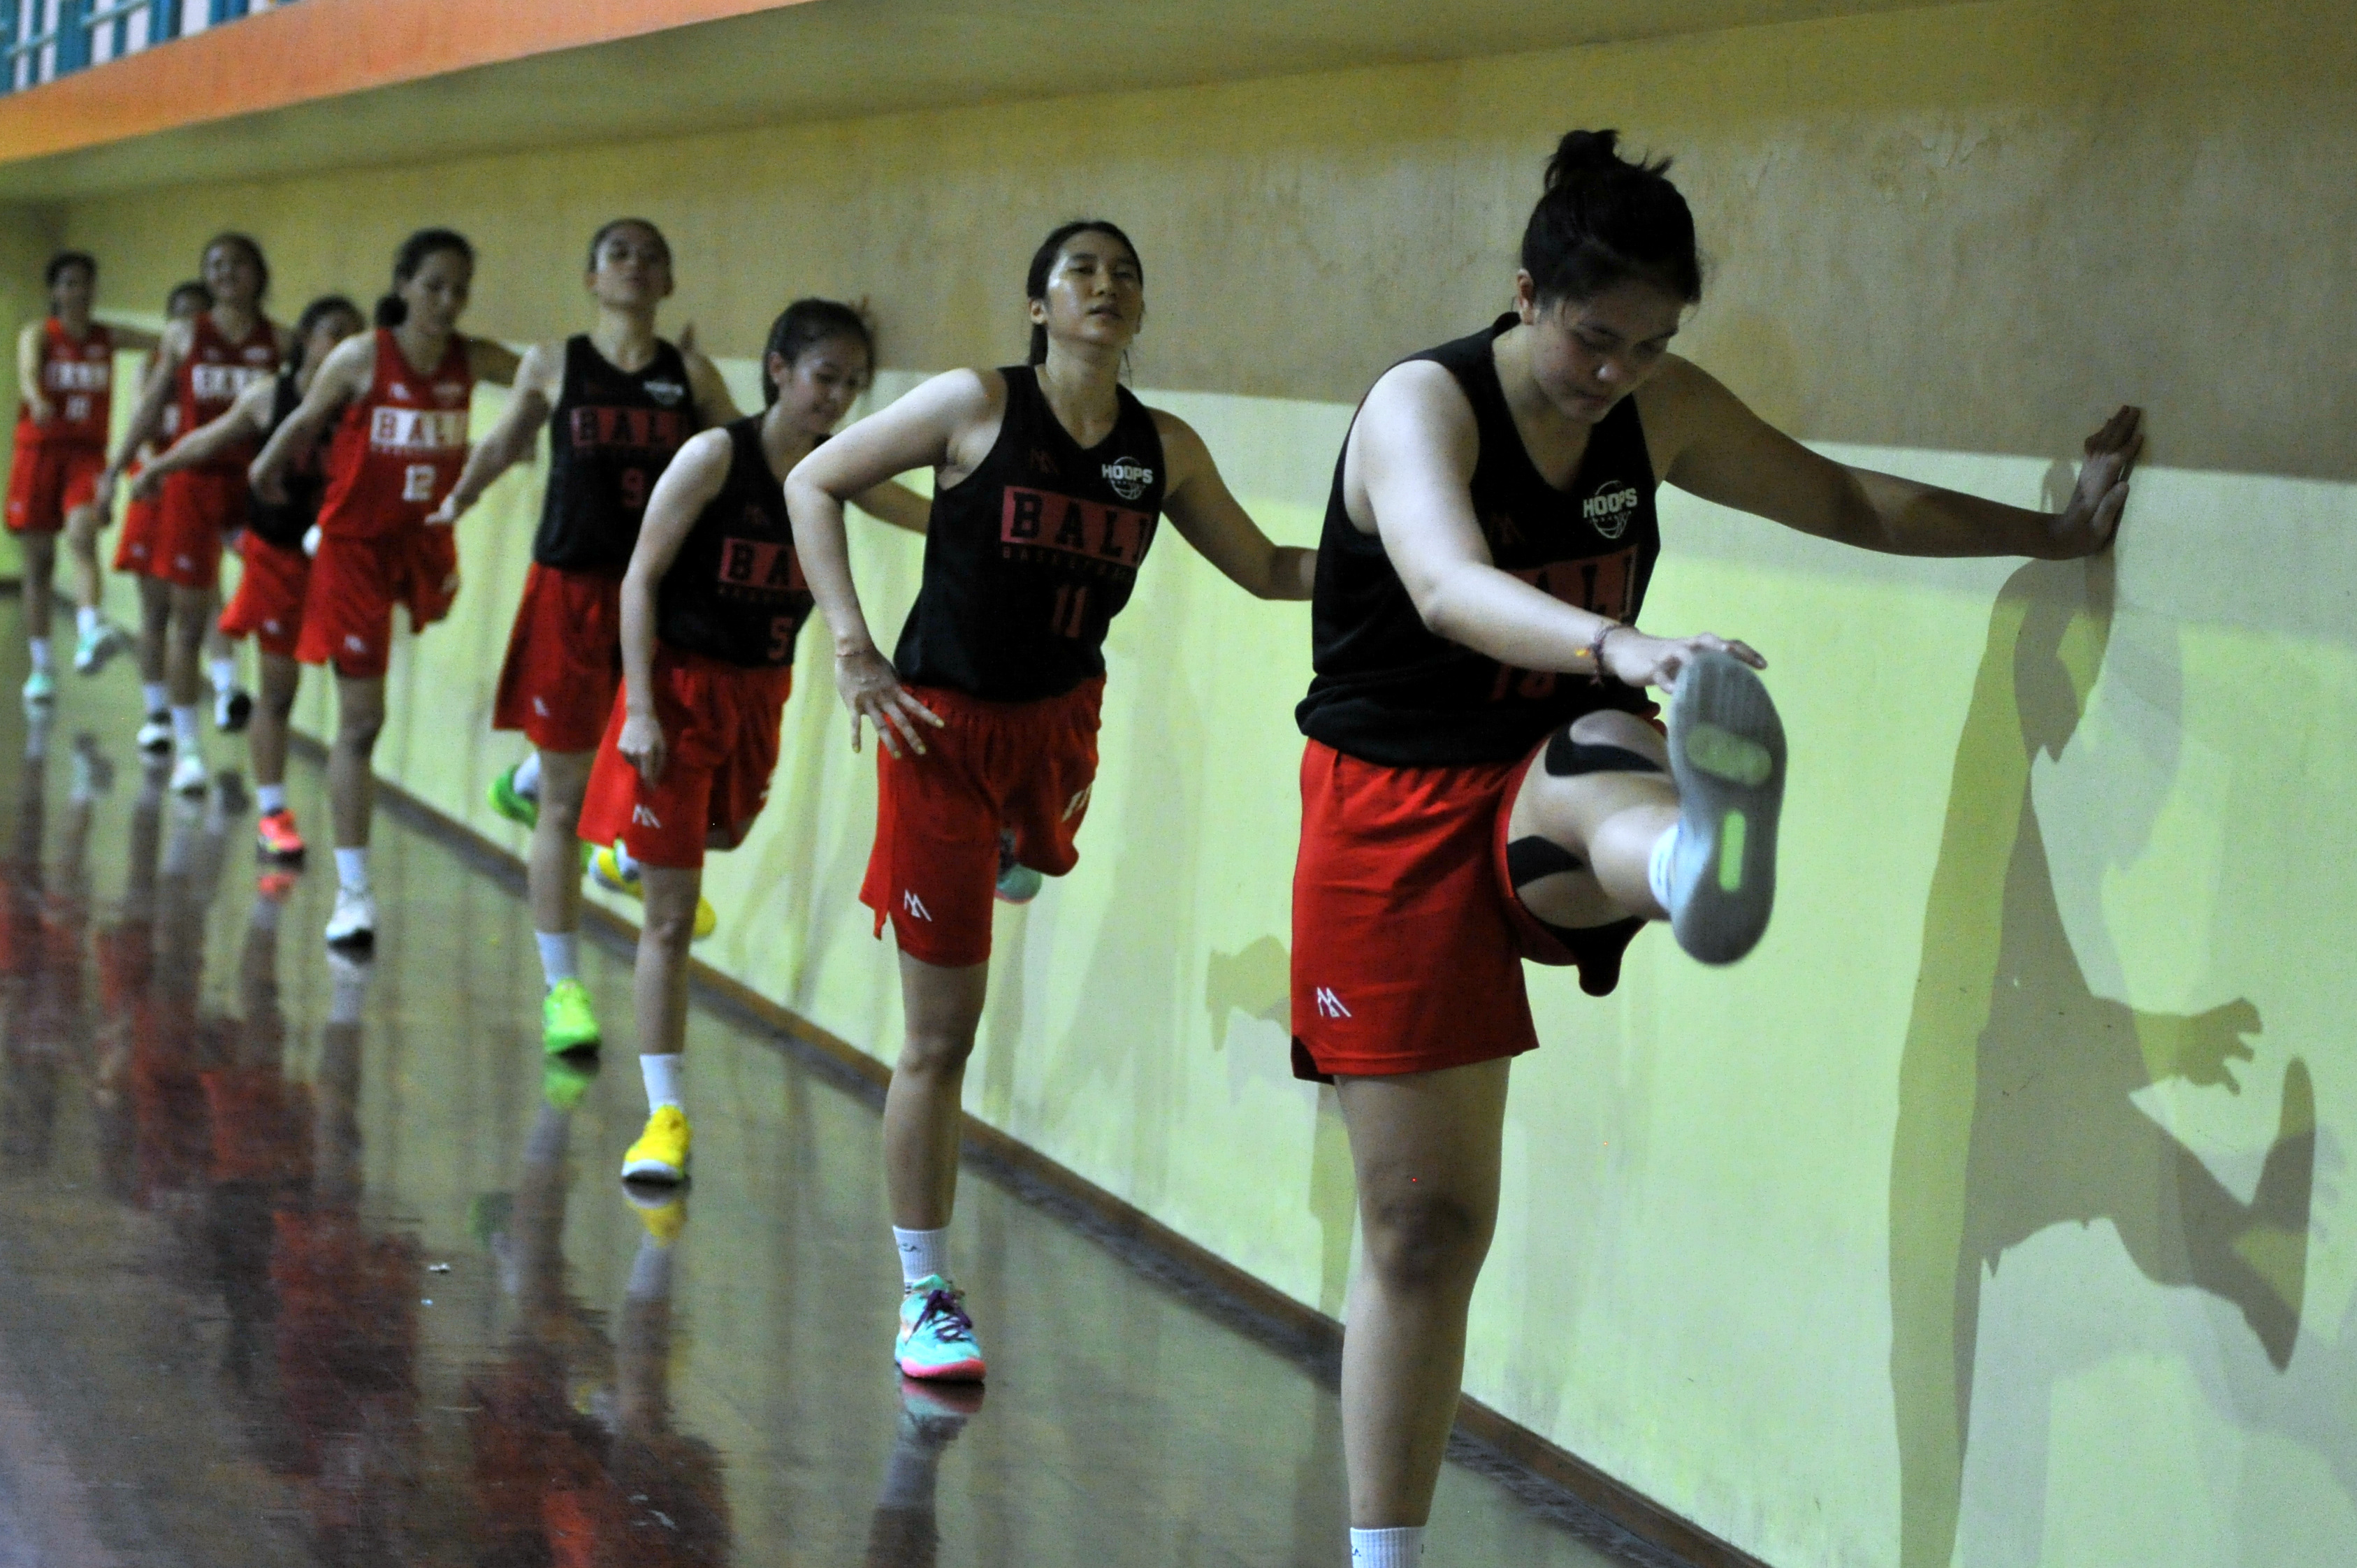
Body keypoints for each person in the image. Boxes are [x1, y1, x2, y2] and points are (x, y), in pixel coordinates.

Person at [1286, 130, 2142, 1567]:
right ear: (1525, 292)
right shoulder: (1417, 407)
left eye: (1649, 346)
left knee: (1606, 749)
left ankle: (1693, 867)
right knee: (1425, 1227)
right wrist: (1619, 637)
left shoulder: (1655, 409)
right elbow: (1443, 585)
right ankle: (1388, 1559)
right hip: (1388, 802)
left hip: (1560, 770)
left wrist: (2059, 534)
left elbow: (1849, 499)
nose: (1615, 373)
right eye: (1592, 339)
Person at [787, 222, 1316, 1382]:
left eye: (1127, 271)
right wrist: (852, 648)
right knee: (942, 1032)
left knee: (1019, 863)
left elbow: (1272, 568)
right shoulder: (973, 402)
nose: (1106, 285)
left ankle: (1010, 846)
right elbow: (813, 476)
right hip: (937, 728)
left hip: (1059, 724)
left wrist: (1408, 557)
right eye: (1081, 269)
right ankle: (925, 1292)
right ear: (1037, 305)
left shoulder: (1159, 447)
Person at [583, 299, 927, 1184]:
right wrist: (643, 709)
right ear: (778, 369)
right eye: (826, 378)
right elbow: (639, 579)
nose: (839, 399)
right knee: (669, 924)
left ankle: (632, 853)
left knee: (723, 837)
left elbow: (929, 515)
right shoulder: (713, 457)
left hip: (757, 694)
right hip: (683, 688)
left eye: (854, 385)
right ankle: (664, 1118)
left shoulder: (834, 473)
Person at [432, 218, 737, 1054]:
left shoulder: (690, 374)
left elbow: (749, 456)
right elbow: (505, 440)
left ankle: (613, 846)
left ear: (669, 281)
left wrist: (830, 393)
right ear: (591, 277)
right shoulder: (556, 360)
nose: (636, 266)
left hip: (659, 599)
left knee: (651, 760)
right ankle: (562, 987)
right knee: (566, 803)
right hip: (570, 593)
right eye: (619, 254)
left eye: (652, 255)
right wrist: (457, 498)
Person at [247, 228, 521, 949]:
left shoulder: (474, 357)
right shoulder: (364, 355)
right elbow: (306, 417)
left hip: (426, 539)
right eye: (434, 285)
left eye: (460, 288)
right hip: (357, 551)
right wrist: (265, 470)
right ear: (403, 285)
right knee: (363, 721)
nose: (448, 301)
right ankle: (354, 893)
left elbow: (549, 382)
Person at [134, 295, 366, 867]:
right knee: (279, 689)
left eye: (352, 335)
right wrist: (155, 467)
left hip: (344, 562)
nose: (341, 344)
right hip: (281, 558)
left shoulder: (364, 404)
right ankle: (272, 812)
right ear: (305, 338)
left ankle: (347, 843)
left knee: (357, 705)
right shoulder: (271, 396)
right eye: (331, 331)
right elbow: (209, 437)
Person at [95, 235, 284, 794]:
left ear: (258, 272)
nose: (227, 274)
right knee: (187, 615)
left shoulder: (281, 340)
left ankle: (240, 702)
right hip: (193, 483)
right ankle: (187, 746)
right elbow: (150, 407)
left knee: (273, 601)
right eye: (215, 266)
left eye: (238, 264)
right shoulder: (185, 334)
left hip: (253, 482)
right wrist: (116, 470)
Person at [7, 252, 159, 710]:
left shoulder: (105, 336)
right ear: (55, 290)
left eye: (87, 283)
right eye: (70, 283)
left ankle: (90, 630)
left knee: (83, 535)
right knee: (39, 565)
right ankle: (40, 669)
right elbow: (29, 371)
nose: (80, 292)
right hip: (39, 454)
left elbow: (162, 342)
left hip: (85, 455)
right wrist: (37, 398)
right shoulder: (40, 333)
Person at [75, 279, 209, 683]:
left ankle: (223, 685)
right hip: (154, 485)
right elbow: (141, 423)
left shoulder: (216, 369)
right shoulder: (153, 365)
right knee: (155, 608)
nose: (189, 323)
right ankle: (155, 713)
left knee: (202, 601)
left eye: (198, 316)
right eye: (181, 315)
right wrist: (145, 469)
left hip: (200, 489)